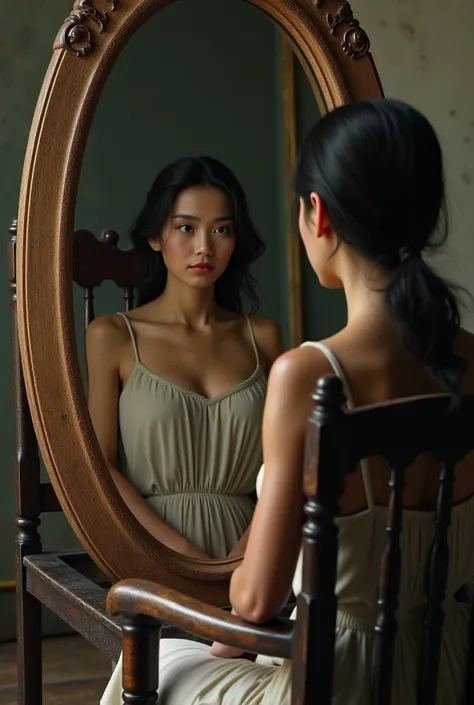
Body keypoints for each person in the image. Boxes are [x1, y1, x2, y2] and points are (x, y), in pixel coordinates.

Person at [101, 99, 474, 705]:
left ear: (317, 214)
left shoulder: (310, 373)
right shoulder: (470, 359)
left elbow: (253, 601)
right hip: (450, 668)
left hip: (341, 681)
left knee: (155, 661)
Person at [87, 156, 284, 561]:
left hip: (253, 555)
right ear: (155, 237)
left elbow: (286, 463)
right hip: (152, 551)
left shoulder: (262, 337)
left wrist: (245, 556)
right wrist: (182, 554)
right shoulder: (113, 336)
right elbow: (100, 467)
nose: (204, 248)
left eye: (222, 229)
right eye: (186, 228)